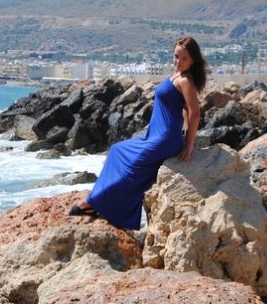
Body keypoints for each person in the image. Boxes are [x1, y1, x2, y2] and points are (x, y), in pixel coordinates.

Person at [69, 36, 207, 230]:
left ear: (193, 60)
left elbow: (195, 113)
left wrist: (189, 144)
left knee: (132, 169)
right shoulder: (177, 74)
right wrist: (184, 126)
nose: (178, 61)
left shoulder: (185, 80)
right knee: (117, 151)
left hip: (165, 139)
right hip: (156, 134)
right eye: (176, 56)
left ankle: (93, 203)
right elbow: (183, 107)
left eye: (184, 58)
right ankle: (101, 202)